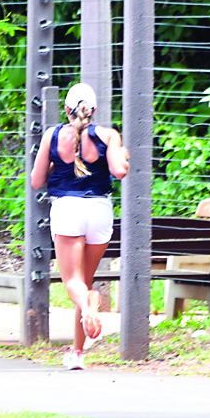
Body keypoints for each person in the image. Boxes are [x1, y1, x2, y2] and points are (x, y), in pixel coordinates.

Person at [28, 83, 129, 369]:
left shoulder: (53, 135)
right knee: (85, 282)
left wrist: (55, 165)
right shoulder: (108, 135)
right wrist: (123, 156)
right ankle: (77, 353)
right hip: (99, 210)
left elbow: (37, 181)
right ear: (94, 110)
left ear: (67, 110)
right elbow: (118, 171)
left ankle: (87, 307)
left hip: (67, 209)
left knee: (73, 283)